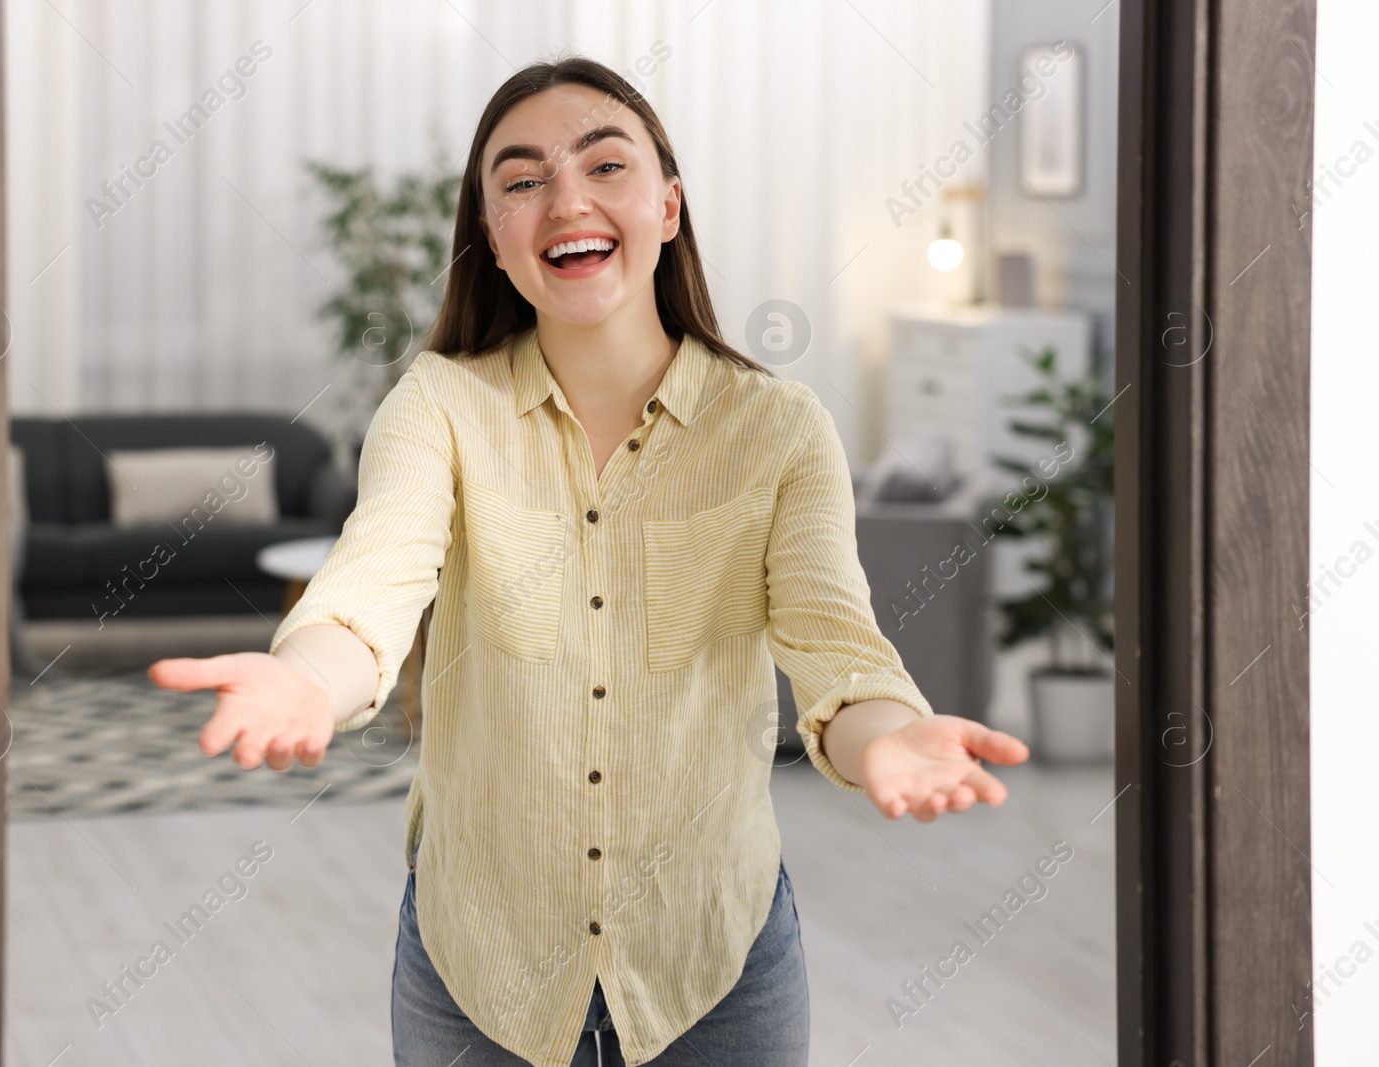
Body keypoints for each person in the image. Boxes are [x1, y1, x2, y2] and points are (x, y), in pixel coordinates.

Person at [150, 54, 1029, 1067]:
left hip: (717, 960)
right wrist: (306, 675)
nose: (564, 198)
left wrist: (887, 736)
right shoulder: (438, 407)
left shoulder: (779, 429)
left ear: (667, 204)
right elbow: (373, 583)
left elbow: (839, 647)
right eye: (521, 180)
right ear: (493, 237)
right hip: (476, 967)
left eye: (603, 165)